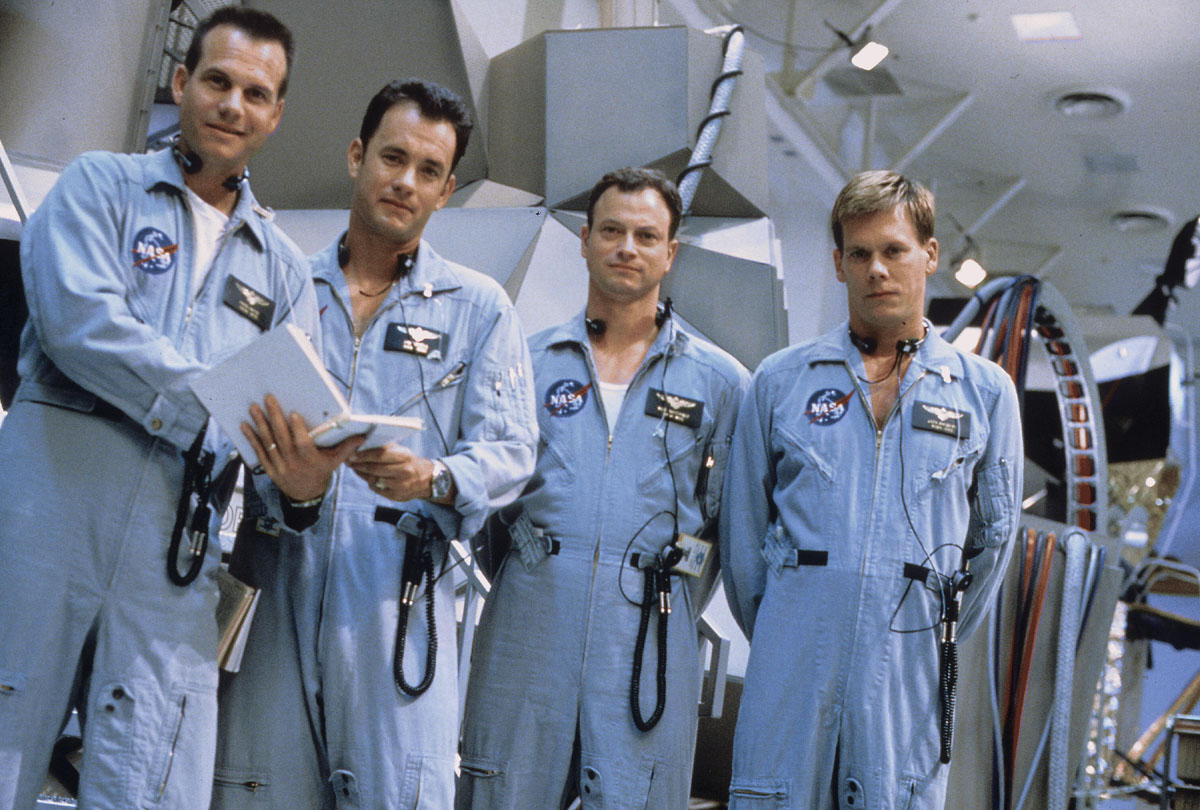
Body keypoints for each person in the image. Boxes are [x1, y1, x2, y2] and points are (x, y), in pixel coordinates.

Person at [0, 8, 313, 809]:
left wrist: (304, 483)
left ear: (277, 114)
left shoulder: (283, 271)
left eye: (255, 93)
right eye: (217, 81)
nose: (232, 105)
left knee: (153, 779)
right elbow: (80, 325)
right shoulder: (98, 186)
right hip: (46, 517)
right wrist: (216, 406)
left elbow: (288, 423)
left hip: (175, 552)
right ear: (181, 82)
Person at [211, 78, 538, 809]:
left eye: (429, 171)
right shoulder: (283, 285)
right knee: (254, 788)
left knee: (398, 792)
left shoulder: (478, 309)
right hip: (276, 578)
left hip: (397, 596)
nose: (405, 182)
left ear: (446, 191)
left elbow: (513, 449)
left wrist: (434, 478)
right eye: (393, 158)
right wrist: (292, 487)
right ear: (357, 156)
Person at [720, 170, 1023, 810]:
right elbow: (742, 539)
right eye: (859, 254)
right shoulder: (780, 382)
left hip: (907, 669)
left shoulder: (986, 394)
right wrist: (796, 620)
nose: (876, 269)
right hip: (792, 664)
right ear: (838, 264)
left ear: (929, 255)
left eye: (893, 250)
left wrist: (925, 623)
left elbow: (992, 546)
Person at [458, 167, 749, 809]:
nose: (627, 248)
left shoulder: (722, 384)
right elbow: (489, 510)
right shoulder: (525, 363)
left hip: (648, 639)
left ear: (670, 253)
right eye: (612, 231)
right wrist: (540, 569)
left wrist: (662, 585)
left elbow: (725, 531)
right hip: (529, 630)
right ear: (585, 240)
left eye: (646, 236)